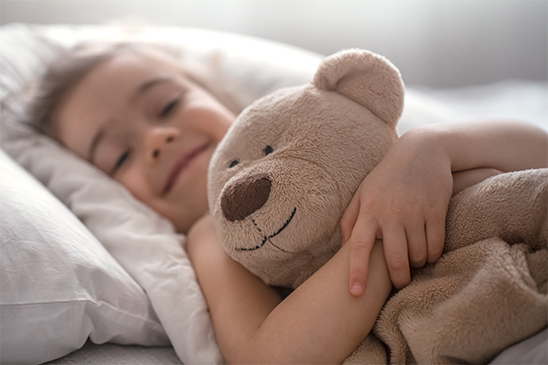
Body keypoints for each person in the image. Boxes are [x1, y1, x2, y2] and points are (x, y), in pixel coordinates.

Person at [29, 40, 548, 364]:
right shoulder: (214, 233)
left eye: (167, 103)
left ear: (219, 97)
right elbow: (269, 355)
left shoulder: (336, 131)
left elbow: (537, 156)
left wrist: (431, 145)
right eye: (119, 156)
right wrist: (380, 231)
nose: (157, 138)